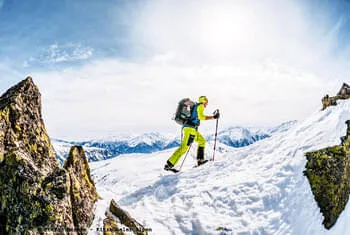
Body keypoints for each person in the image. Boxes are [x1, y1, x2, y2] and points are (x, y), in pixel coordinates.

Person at [164, 96, 220, 172]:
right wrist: (213, 117)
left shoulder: (196, 106)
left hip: (191, 129)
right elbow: (201, 117)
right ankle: (169, 164)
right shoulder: (200, 106)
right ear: (204, 101)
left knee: (202, 141)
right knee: (184, 148)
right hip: (190, 129)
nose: (207, 103)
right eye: (206, 101)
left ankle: (200, 160)